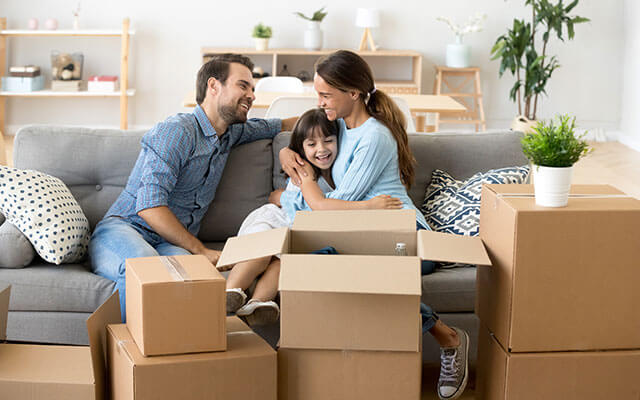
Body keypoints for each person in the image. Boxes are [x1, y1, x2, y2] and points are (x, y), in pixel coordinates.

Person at [279, 50, 469, 400]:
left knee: (359, 272)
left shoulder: (374, 137)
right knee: (321, 260)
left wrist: (305, 183)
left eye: (325, 95)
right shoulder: (338, 124)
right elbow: (302, 129)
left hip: (407, 234)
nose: (320, 102)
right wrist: (285, 153)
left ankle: (449, 338)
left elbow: (337, 206)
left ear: (353, 93)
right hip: (368, 234)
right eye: (318, 94)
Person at [88, 54, 297, 322]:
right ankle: (124, 357)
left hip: (168, 243)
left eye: (253, 89)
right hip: (125, 229)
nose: (252, 96)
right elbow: (149, 206)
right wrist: (200, 250)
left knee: (192, 284)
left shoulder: (232, 133)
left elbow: (284, 125)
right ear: (213, 86)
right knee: (142, 266)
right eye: (243, 86)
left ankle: (181, 357)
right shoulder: (176, 132)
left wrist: (334, 118)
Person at [225, 107, 402, 326]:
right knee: (262, 253)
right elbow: (320, 206)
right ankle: (229, 292)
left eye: (328, 141)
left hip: (295, 230)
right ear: (301, 148)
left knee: (282, 264)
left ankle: (258, 304)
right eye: (312, 145)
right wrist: (369, 206)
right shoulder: (305, 172)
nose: (322, 149)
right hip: (276, 220)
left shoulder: (343, 169)